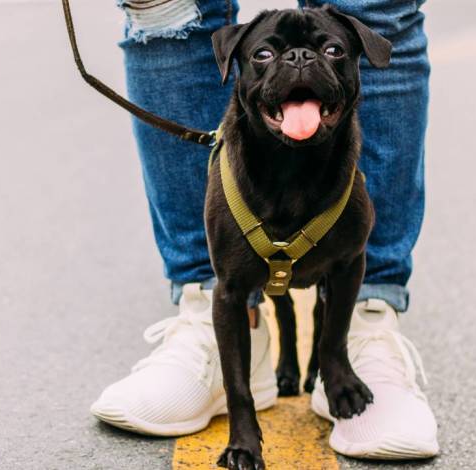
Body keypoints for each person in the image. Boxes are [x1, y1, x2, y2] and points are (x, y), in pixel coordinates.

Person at [90, 0, 437, 460]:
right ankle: (206, 316)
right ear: (234, 64)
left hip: (337, 208)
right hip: (244, 189)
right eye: (266, 56)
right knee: (164, 5)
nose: (298, 62)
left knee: (374, 4)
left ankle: (357, 335)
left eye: (330, 51)